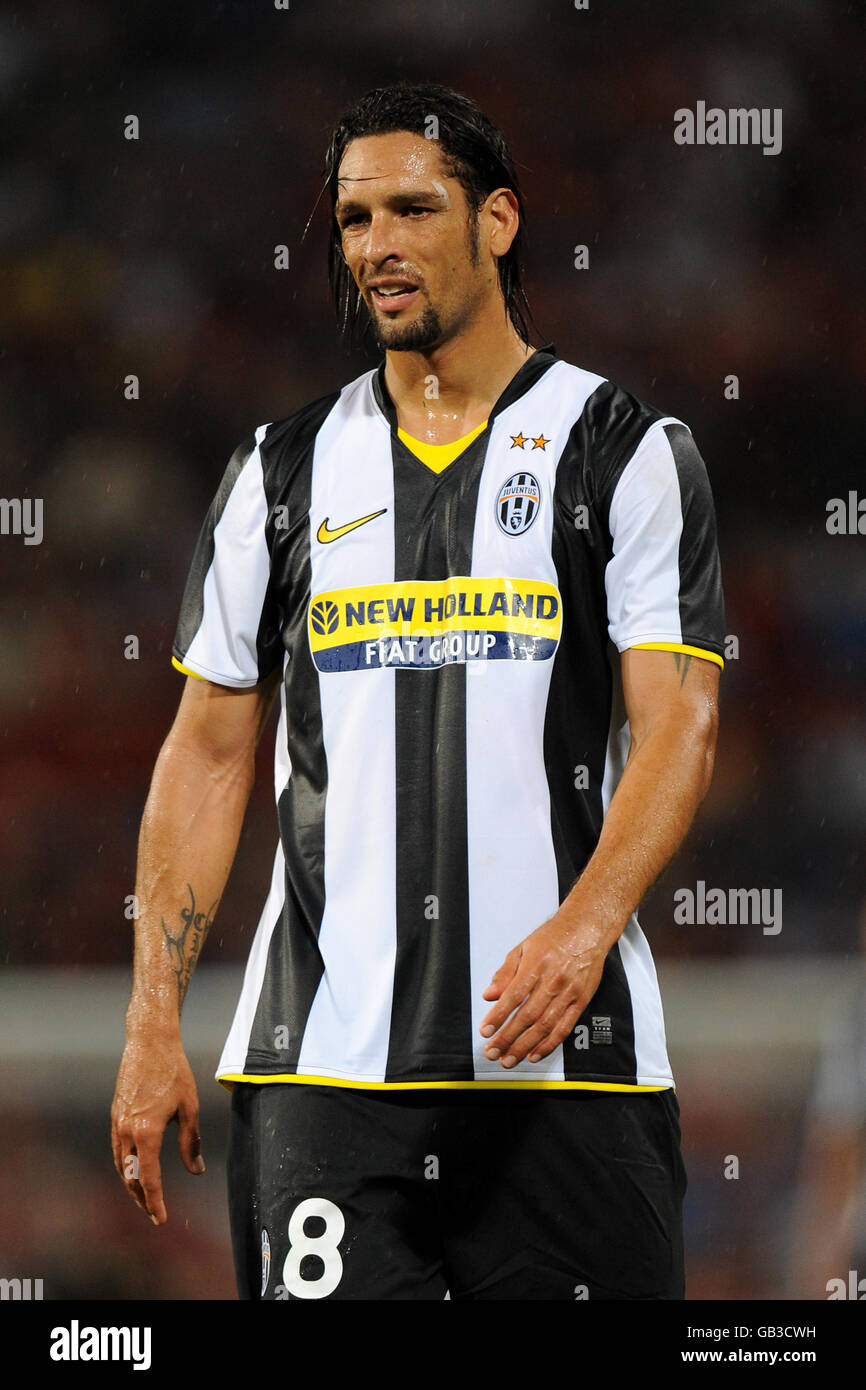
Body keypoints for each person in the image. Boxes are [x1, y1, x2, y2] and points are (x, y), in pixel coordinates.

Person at [111, 82, 724, 1300]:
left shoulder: (620, 449)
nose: (375, 247)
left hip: (570, 1069)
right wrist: (148, 1021)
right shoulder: (278, 473)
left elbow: (679, 727)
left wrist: (584, 922)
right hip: (322, 1077)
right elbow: (208, 755)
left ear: (497, 220)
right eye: (350, 221)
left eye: (409, 209)